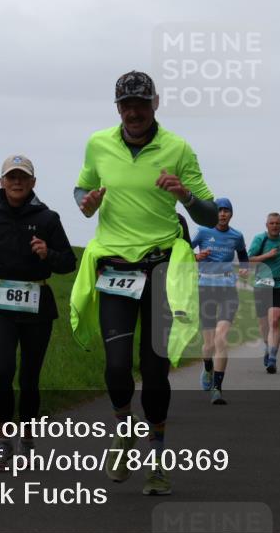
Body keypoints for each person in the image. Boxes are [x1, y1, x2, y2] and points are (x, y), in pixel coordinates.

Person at [69, 71, 218, 496]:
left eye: (140, 103)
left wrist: (185, 196)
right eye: (125, 105)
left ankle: (157, 457)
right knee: (116, 367)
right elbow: (81, 189)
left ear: (155, 103)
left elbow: (208, 214)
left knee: (154, 375)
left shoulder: (178, 148)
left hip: (159, 268)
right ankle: (123, 428)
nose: (133, 112)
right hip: (115, 268)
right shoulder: (98, 144)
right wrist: (86, 202)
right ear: (117, 108)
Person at [0, 155, 77, 465]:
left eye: (23, 177)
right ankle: (2, 440)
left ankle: (27, 435)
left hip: (37, 304)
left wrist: (48, 253)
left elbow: (68, 262)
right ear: (2, 182)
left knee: (29, 376)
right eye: (11, 177)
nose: (16, 182)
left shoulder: (47, 219)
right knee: (3, 371)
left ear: (33, 183)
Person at [192, 198, 249, 405]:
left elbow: (243, 257)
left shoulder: (236, 236)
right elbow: (183, 251)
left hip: (227, 291)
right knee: (208, 345)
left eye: (226, 211)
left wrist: (244, 268)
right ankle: (207, 368)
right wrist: (195, 257)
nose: (222, 214)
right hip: (205, 289)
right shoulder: (203, 232)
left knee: (221, 339)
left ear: (231, 214)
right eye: (219, 210)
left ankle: (217, 388)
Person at [247, 213, 280, 374]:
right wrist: (267, 255)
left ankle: (272, 357)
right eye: (272, 223)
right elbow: (248, 258)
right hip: (262, 284)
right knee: (263, 324)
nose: (274, 226)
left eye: (277, 223)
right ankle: (267, 347)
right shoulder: (260, 239)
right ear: (266, 225)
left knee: (275, 320)